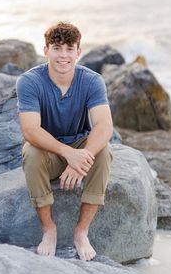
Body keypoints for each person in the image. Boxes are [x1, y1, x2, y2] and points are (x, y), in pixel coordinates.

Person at [16, 22, 113, 261]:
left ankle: (81, 232)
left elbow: (104, 126)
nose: (63, 56)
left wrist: (81, 156)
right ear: (46, 50)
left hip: (79, 144)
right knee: (31, 153)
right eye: (57, 48)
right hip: (47, 150)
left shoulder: (92, 81)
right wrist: (68, 154)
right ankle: (49, 229)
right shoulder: (29, 81)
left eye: (70, 49)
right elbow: (30, 130)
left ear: (78, 52)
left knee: (103, 152)